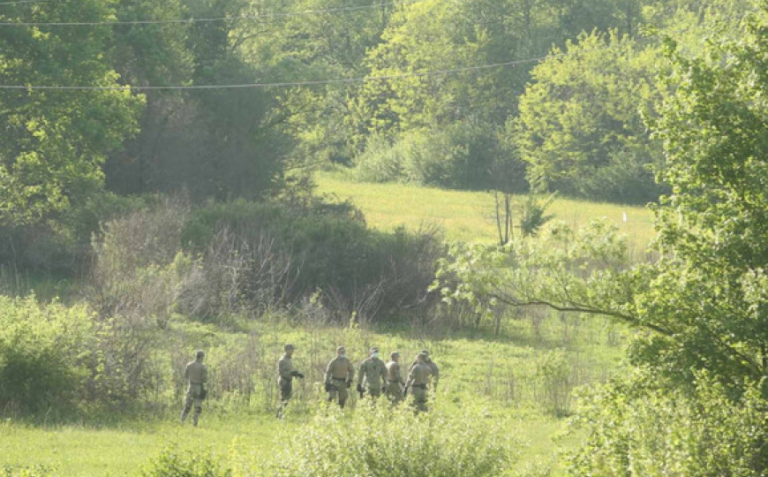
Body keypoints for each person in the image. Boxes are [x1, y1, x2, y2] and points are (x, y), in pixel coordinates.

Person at [277, 344, 304, 418]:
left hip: (288, 380)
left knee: (287, 398)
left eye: (292, 349)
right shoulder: (282, 360)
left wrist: (296, 374)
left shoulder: (289, 359)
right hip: (284, 381)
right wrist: (291, 373)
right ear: (286, 350)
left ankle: (282, 413)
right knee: (283, 398)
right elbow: (281, 372)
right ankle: (279, 414)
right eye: (290, 350)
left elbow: (289, 371)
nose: (292, 351)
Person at [181, 350, 208, 426]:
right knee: (197, 406)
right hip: (199, 387)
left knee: (187, 405)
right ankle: (195, 422)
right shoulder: (202, 367)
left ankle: (182, 420)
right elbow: (205, 379)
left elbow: (185, 376)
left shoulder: (189, 365)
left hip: (190, 386)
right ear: (202, 357)